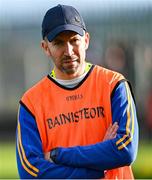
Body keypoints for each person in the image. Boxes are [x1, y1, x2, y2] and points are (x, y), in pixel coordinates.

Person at [16, 4, 139, 179]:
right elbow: (29, 172)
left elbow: (126, 151)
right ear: (45, 48)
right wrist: (99, 165)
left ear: (86, 40)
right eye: (58, 43)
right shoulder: (31, 102)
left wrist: (57, 155)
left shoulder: (114, 84)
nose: (68, 51)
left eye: (74, 40)